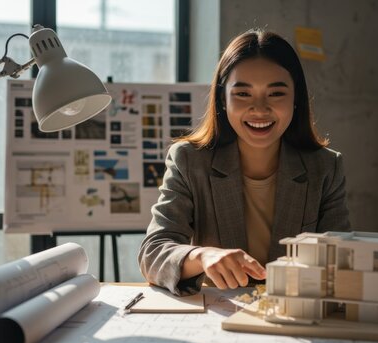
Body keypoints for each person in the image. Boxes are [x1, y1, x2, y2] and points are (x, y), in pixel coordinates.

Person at [139, 29, 351, 296]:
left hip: (297, 317)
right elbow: (153, 253)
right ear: (222, 100)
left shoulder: (325, 168)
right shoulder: (189, 161)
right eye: (242, 94)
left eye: (276, 94)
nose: (260, 109)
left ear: (295, 99)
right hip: (219, 322)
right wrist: (203, 256)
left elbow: (344, 260)